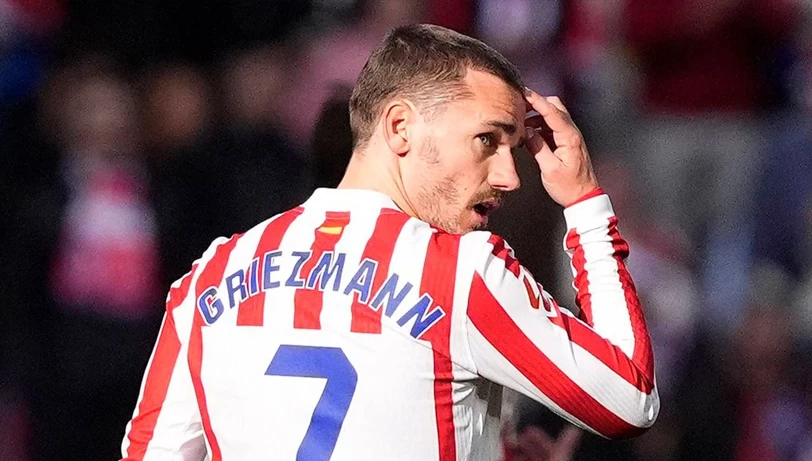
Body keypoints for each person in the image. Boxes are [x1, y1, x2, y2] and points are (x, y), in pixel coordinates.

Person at [120, 24, 659, 460]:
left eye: (512, 147)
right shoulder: (460, 272)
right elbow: (630, 398)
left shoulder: (211, 274)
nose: (509, 176)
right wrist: (586, 204)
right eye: (487, 139)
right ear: (400, 127)